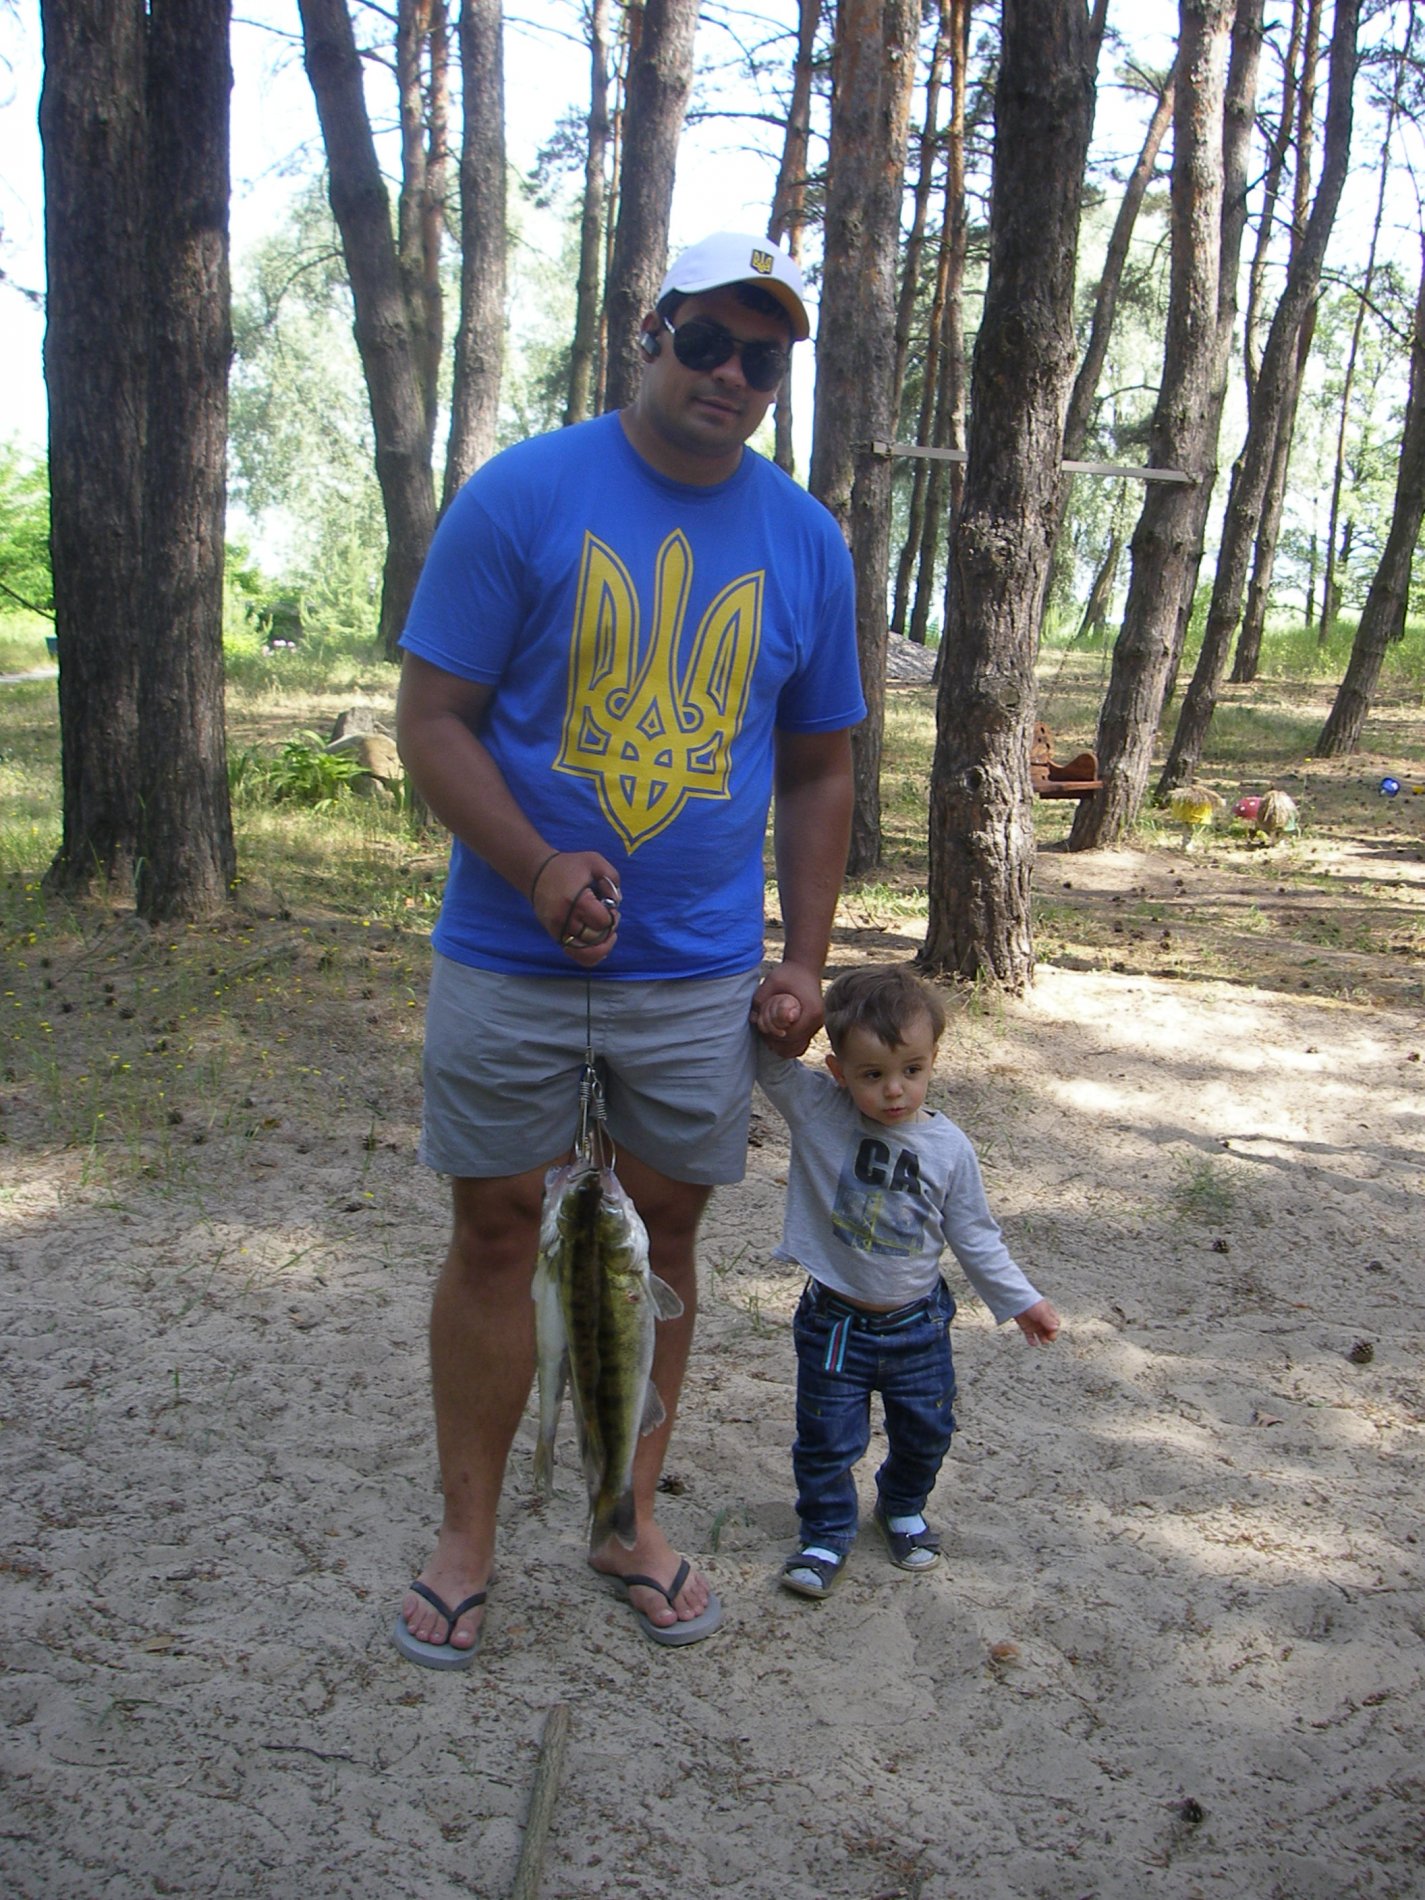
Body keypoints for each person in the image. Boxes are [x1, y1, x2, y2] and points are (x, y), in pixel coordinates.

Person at [391, 232, 866, 1666]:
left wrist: (802, 958)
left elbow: (819, 770)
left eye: (761, 359)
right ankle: (467, 1538)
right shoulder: (523, 493)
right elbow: (432, 720)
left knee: (662, 1236)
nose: (730, 375)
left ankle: (625, 1515)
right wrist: (537, 866)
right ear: (650, 332)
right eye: (706, 341)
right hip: (508, 952)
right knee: (495, 1228)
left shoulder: (805, 540)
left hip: (697, 973)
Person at [752, 964, 1060, 1599]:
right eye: (872, 1075)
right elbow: (770, 1066)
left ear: (932, 1061)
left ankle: (900, 1506)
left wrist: (1020, 1300)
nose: (894, 1091)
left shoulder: (949, 1149)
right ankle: (826, 1532)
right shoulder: (820, 1110)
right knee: (826, 1439)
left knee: (926, 1431)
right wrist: (776, 1009)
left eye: (911, 1070)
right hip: (835, 1324)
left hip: (918, 1326)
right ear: (838, 1071)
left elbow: (975, 1236)